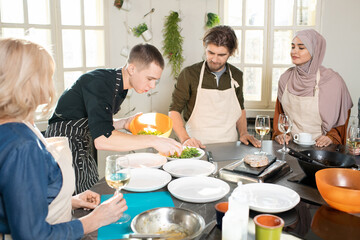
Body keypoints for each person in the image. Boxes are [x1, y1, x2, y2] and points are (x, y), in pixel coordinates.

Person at [0, 38, 127, 239]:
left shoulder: (19, 125)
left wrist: (71, 200)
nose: (51, 83)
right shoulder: (21, 144)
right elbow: (32, 236)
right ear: (28, 81)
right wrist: (94, 220)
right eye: (48, 75)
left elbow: (19, 201)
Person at [46, 43, 182, 194]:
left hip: (82, 139)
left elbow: (98, 123)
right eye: (149, 78)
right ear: (132, 69)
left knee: (91, 189)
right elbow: (103, 139)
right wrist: (154, 140)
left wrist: (124, 123)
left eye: (156, 80)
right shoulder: (100, 83)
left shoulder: (119, 86)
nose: (153, 85)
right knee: (75, 196)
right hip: (64, 144)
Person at [169, 25, 260, 148]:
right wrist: (185, 139)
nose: (215, 59)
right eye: (210, 52)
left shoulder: (236, 75)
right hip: (197, 146)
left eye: (221, 55)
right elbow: (174, 111)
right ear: (204, 46)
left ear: (231, 53)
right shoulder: (189, 74)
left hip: (230, 146)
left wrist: (243, 133)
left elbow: (240, 109)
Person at [272, 29, 353, 147]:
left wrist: (331, 137)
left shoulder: (333, 81)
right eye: (292, 47)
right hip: (290, 146)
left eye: (301, 48)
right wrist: (280, 133)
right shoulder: (285, 78)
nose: (294, 51)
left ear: (314, 50)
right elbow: (279, 114)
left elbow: (341, 117)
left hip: (321, 149)